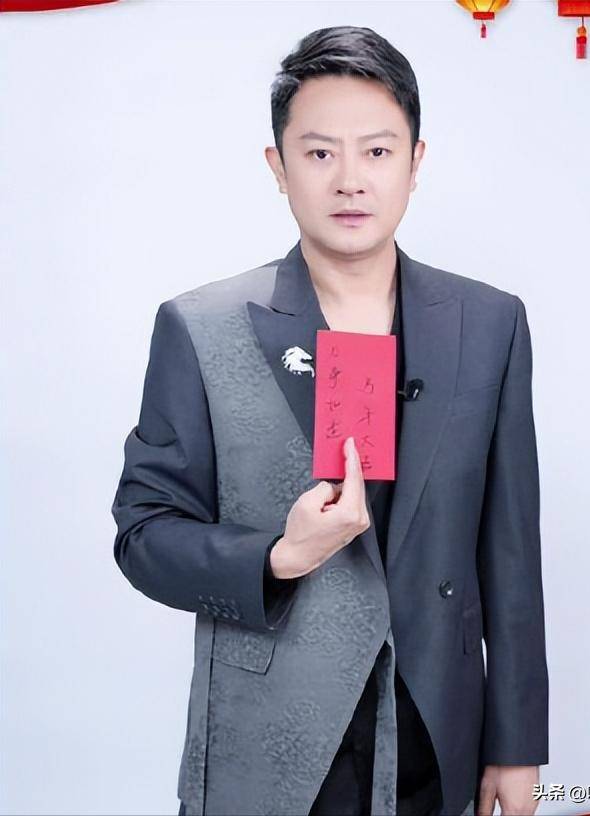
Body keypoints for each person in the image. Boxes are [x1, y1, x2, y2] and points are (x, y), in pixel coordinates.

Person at [112, 25, 549, 816]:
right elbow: (143, 537)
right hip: (270, 734)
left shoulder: (489, 323)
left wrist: (516, 745)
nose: (350, 180)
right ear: (278, 167)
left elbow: (511, 552)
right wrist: (278, 555)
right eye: (318, 153)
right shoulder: (199, 325)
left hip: (435, 728)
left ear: (414, 162)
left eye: (376, 151)